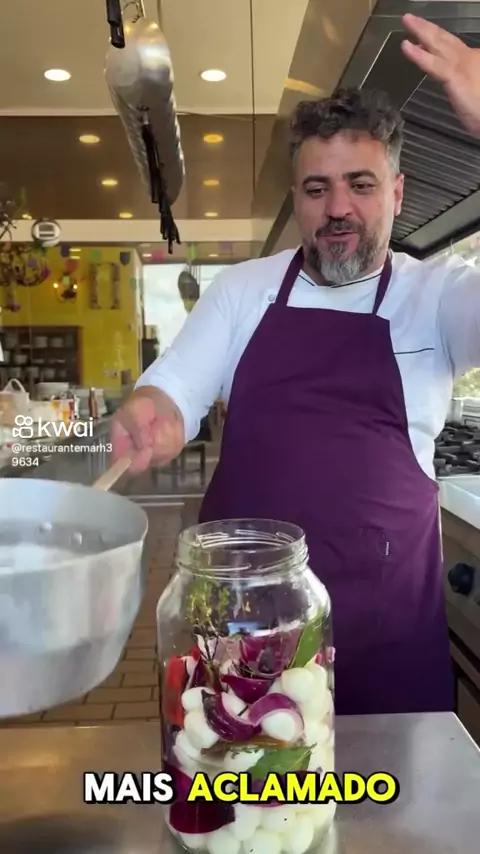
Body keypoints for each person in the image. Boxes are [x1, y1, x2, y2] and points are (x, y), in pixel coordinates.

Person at [111, 14, 480, 715]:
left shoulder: (438, 296)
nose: (338, 208)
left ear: (397, 193)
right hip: (245, 644)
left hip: (387, 645)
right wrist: (152, 413)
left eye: (361, 184)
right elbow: (174, 389)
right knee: (241, 784)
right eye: (316, 189)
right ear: (297, 195)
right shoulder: (243, 290)